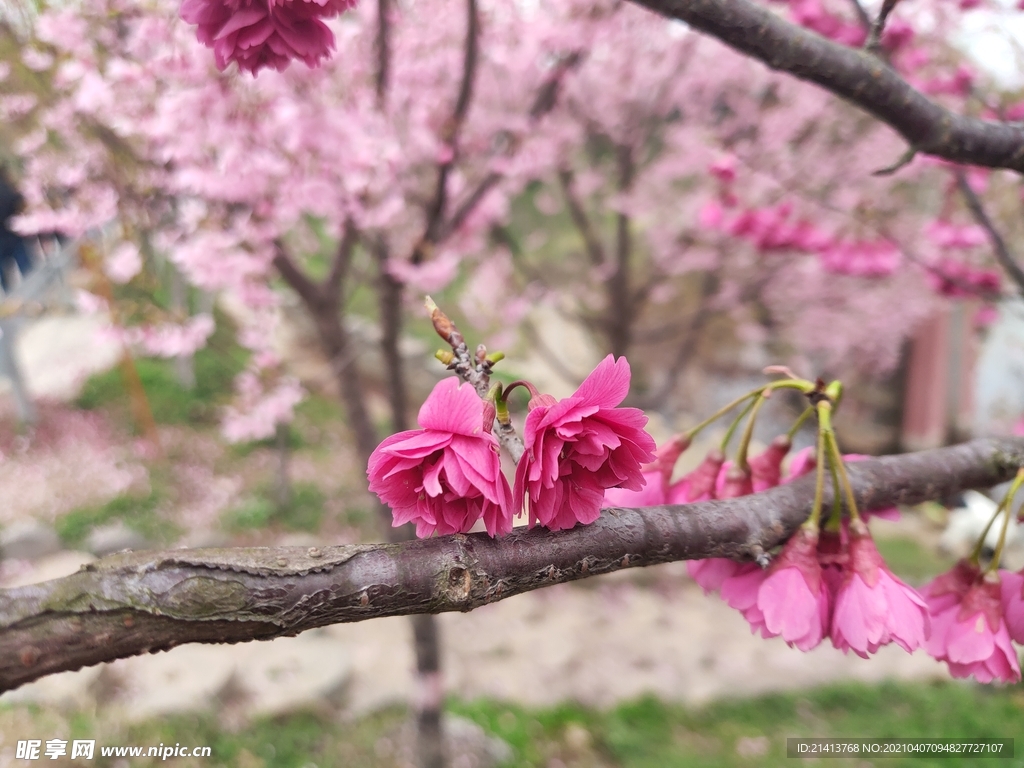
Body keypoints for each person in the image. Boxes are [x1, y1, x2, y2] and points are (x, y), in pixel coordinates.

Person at [0, 166, 33, 295]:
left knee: (2, 270)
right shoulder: (9, 189)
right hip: (14, 232)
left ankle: (9, 294)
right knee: (25, 265)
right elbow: (22, 206)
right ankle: (32, 290)